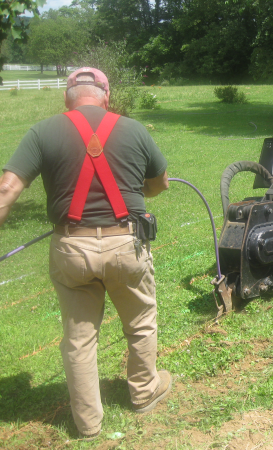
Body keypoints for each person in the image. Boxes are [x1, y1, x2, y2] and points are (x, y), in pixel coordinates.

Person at [0, 67, 170, 440]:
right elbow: (160, 183)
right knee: (140, 321)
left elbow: (7, 188)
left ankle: (88, 423)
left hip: (71, 248)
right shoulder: (134, 129)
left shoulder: (42, 131)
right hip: (126, 244)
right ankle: (143, 391)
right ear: (106, 97)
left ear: (67, 98)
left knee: (78, 338)